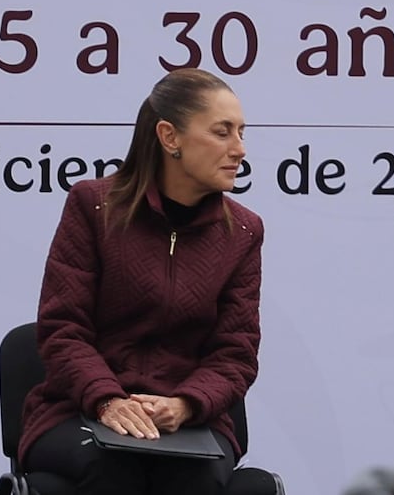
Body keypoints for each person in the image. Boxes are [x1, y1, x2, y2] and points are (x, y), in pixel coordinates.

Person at [18, 68, 264, 495]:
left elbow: (236, 353)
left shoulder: (242, 232)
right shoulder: (93, 207)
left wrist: (185, 404)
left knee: (194, 480)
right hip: (78, 409)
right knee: (114, 469)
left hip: (192, 420)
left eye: (241, 133)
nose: (239, 149)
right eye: (223, 133)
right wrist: (107, 399)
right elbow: (63, 330)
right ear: (170, 137)